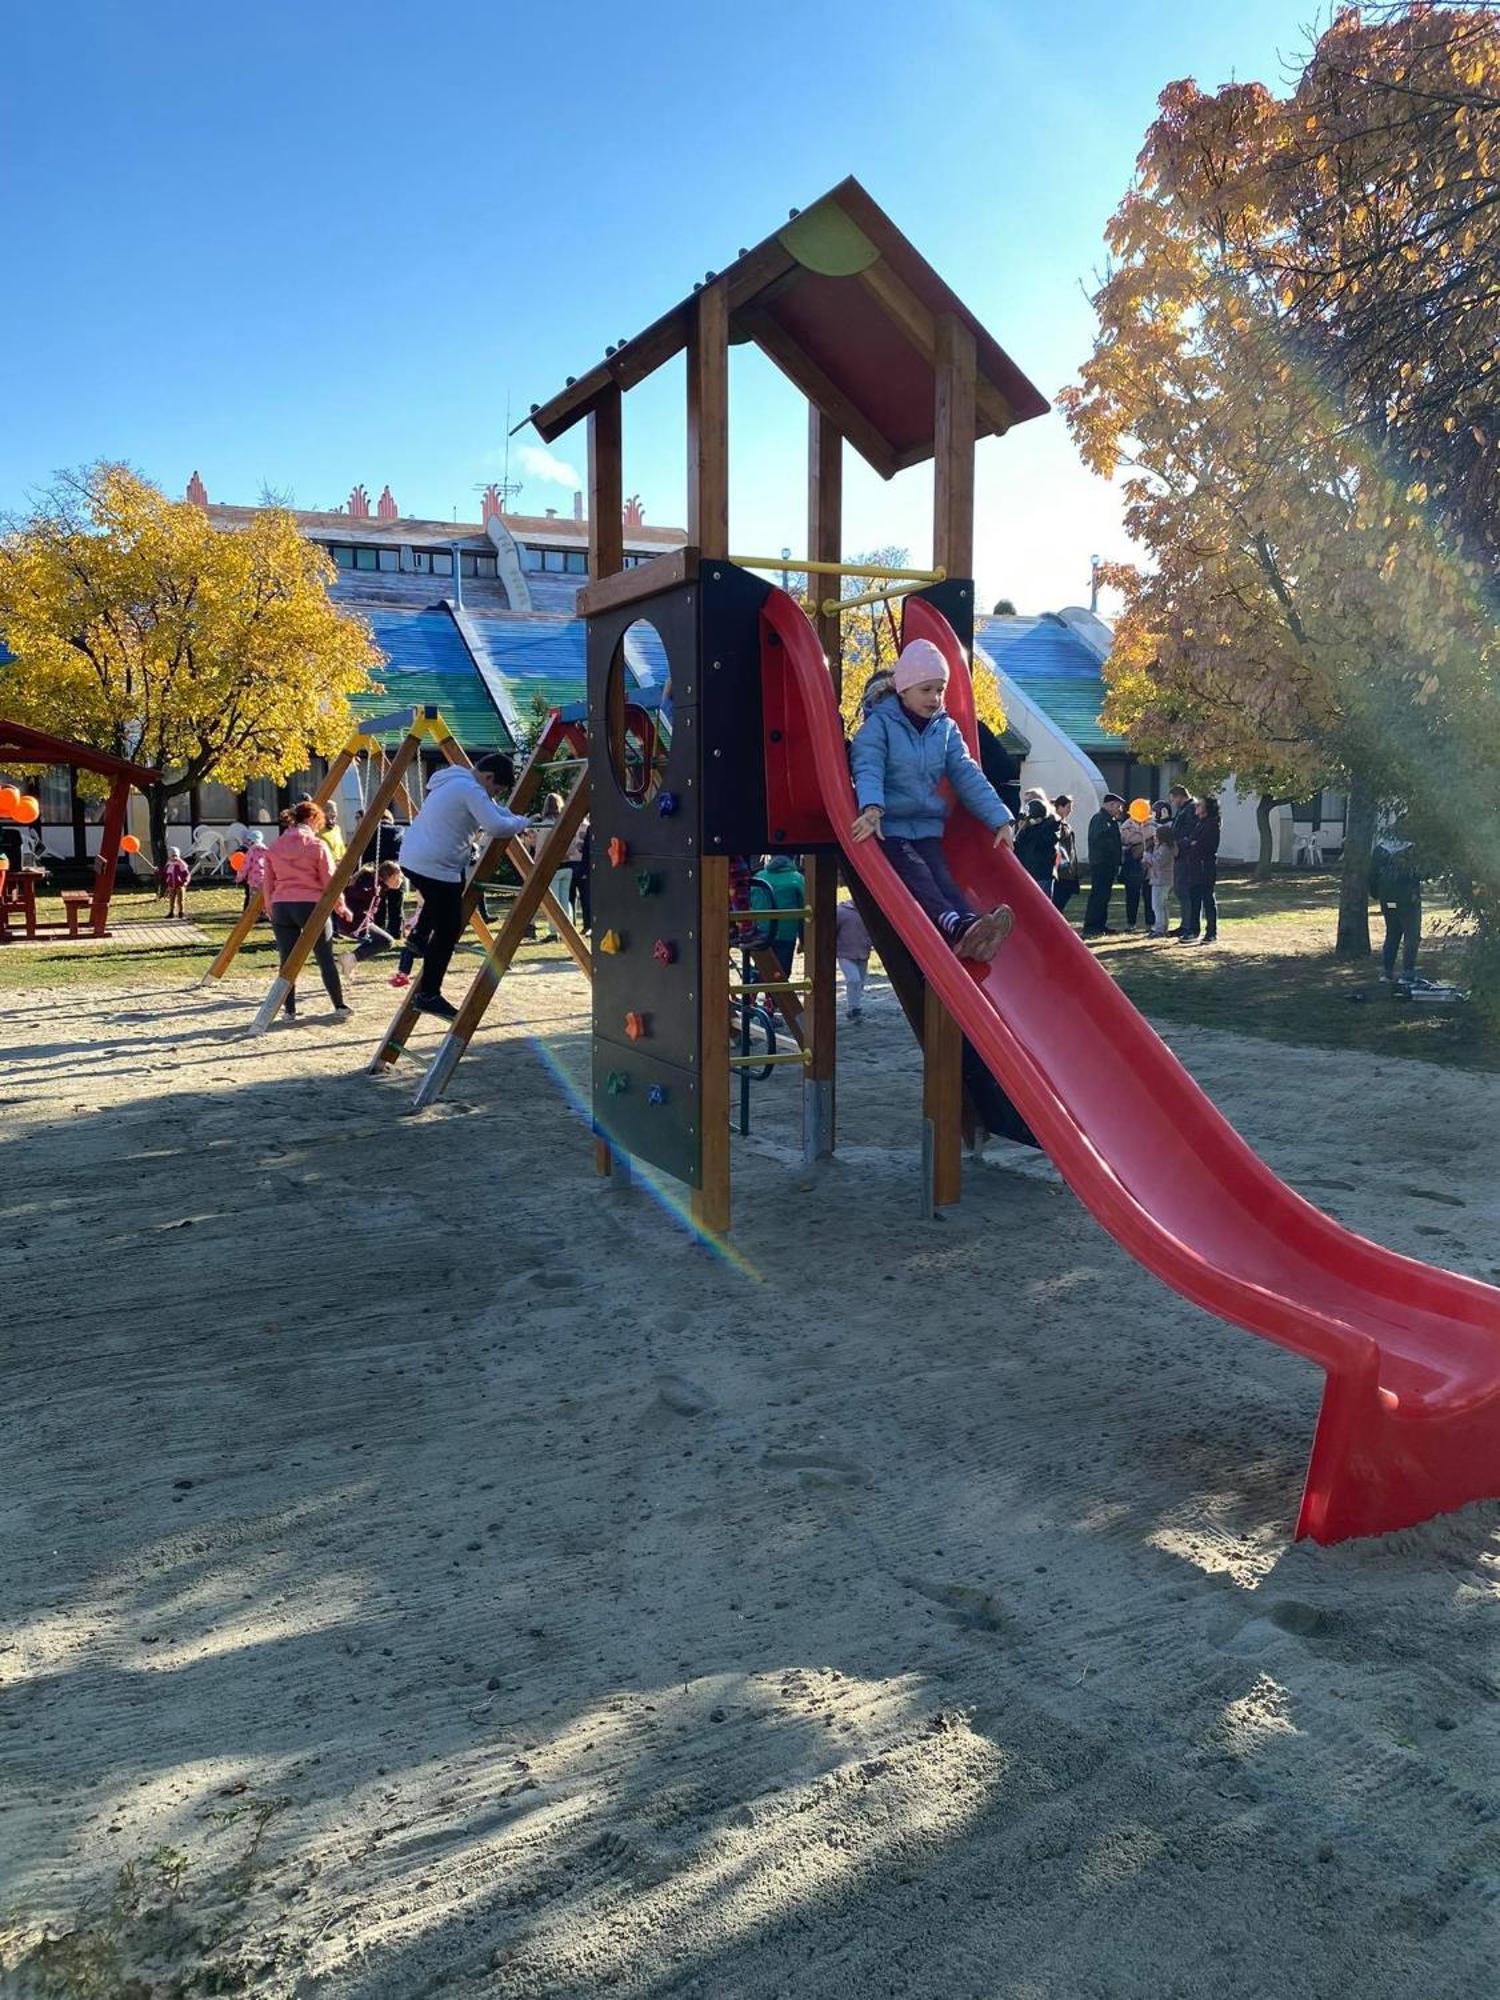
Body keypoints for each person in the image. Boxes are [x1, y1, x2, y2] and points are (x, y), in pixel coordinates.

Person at [849, 637, 1015, 961]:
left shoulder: (946, 729)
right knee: (919, 876)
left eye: (940, 689)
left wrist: (1000, 817)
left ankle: (971, 928)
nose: (935, 698)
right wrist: (871, 808)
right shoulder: (880, 726)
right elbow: (867, 766)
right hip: (890, 826)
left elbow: (967, 774)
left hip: (926, 825)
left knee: (942, 875)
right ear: (904, 689)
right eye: (926, 689)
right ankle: (957, 926)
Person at [395, 752, 532, 1018]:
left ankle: (419, 937)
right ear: (488, 776)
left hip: (414, 858)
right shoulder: (470, 789)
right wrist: (522, 823)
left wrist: (515, 818)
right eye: (495, 789)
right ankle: (429, 994)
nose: (493, 795)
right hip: (435, 865)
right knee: (448, 930)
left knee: (448, 894)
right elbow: (495, 825)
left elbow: (495, 811)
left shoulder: (452, 781)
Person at [261, 802, 350, 1018]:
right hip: (311, 905)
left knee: (287, 959)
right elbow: (330, 879)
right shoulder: (317, 845)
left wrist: (270, 907)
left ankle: (289, 1010)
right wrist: (341, 905)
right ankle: (339, 1005)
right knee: (324, 957)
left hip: (282, 904)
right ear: (312, 819)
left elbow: (268, 882)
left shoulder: (275, 845)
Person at [1371, 828, 1422, 986]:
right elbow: (1420, 873)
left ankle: (1387, 971)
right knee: (1411, 935)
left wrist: (1376, 894)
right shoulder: (1412, 849)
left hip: (1388, 899)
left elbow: (1372, 874)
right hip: (1408, 899)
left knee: (1392, 933)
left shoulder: (1380, 848)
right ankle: (1407, 973)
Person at [749, 852, 805, 979]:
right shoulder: (797, 879)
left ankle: (751, 995)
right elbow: (805, 912)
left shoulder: (759, 876)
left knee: (761, 970)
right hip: (786, 933)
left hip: (760, 932)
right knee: (781, 974)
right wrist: (804, 940)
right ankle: (772, 998)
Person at [333, 864, 401, 962]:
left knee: (380, 941)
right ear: (391, 876)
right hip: (354, 924)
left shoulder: (373, 883)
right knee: (387, 941)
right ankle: (351, 958)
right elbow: (357, 893)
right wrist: (371, 891)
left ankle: (351, 959)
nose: (400, 881)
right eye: (398, 877)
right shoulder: (372, 885)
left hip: (352, 922)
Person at [1082, 794, 1126, 936]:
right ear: (1110, 804)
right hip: (1101, 863)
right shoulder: (1100, 819)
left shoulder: (1110, 821)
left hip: (1108, 864)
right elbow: (1099, 840)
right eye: (1118, 806)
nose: (1120, 810)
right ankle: (1092, 925)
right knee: (1098, 894)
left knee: (1104, 895)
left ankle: (1100, 924)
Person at [1183, 796, 1221, 943]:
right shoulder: (1199, 824)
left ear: (1207, 808)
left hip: (1205, 866)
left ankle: (1211, 933)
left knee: (1207, 898)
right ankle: (1193, 930)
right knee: (1194, 899)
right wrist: (1190, 843)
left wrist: (1193, 844)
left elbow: (1203, 845)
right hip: (1194, 866)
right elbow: (1189, 842)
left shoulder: (1212, 824)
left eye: (1200, 804)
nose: (1196, 806)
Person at [835, 896, 872, 1022]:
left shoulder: (869, 912)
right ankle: (853, 1009)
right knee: (853, 979)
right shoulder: (841, 911)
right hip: (844, 953)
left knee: (860, 982)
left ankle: (856, 1006)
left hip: (863, 953)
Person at [1014, 798, 1060, 893]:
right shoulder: (1026, 831)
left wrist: (1025, 829)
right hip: (1027, 872)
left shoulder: (1048, 829)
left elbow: (1040, 842)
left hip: (1041, 874)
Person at [1119, 807, 1148, 929]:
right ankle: (1131, 922)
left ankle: (1150, 923)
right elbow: (1124, 841)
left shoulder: (1151, 824)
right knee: (1132, 894)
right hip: (1131, 862)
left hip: (1148, 862)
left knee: (1149, 895)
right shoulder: (1126, 826)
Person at [1051, 796, 1080, 914]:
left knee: (1065, 895)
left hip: (1068, 867)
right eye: (1068, 807)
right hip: (1060, 868)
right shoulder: (1055, 824)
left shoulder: (1066, 825)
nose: (1070, 810)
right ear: (1059, 807)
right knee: (1058, 899)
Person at [1145, 826, 1176, 937]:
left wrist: (1147, 856)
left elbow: (1158, 863)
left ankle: (1159, 928)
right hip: (1161, 879)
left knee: (1157, 905)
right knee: (1162, 905)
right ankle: (1163, 926)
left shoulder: (1165, 848)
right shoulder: (1162, 847)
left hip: (1161, 880)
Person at [240, 831, 268, 911]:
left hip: (253, 879)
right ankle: (265, 913)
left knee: (253, 898)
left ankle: (254, 913)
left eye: (249, 840)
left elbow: (246, 865)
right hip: (264, 878)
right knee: (264, 897)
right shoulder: (267, 851)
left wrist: (240, 877)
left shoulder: (251, 851)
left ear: (252, 841)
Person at [162, 846, 192, 919]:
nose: (174, 858)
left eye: (176, 856)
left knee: (180, 900)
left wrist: (185, 882)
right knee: (171, 899)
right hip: (171, 885)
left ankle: (181, 912)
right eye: (172, 856)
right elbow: (164, 874)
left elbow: (187, 874)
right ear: (169, 856)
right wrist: (157, 871)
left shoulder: (182, 865)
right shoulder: (168, 865)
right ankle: (171, 912)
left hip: (180, 885)